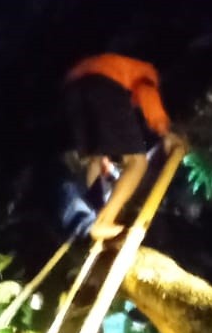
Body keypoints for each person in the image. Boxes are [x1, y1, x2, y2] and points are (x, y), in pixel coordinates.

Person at [59, 53, 170, 239]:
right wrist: (163, 129)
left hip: (71, 89)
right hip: (103, 83)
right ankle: (104, 222)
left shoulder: (117, 62)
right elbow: (147, 92)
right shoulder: (147, 73)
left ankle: (96, 210)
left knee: (95, 158)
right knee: (136, 162)